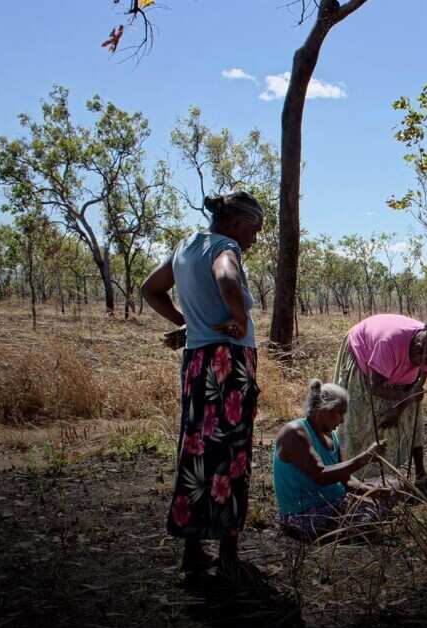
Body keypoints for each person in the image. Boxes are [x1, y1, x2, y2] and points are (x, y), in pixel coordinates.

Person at [141, 191, 264, 574]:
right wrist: (240, 321)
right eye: (254, 229)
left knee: (194, 448)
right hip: (230, 363)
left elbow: (150, 288)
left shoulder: (186, 246)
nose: (254, 239)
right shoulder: (225, 247)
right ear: (234, 222)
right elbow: (227, 279)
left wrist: (185, 322)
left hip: (196, 361)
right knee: (233, 452)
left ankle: (191, 550)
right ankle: (229, 553)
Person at [333, 313, 427, 497]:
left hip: (392, 368)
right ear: (417, 349)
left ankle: (420, 474)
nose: (425, 366)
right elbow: (374, 387)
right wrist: (403, 399)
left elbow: (418, 385)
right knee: (364, 417)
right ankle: (353, 479)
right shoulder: (388, 343)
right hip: (364, 360)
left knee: (414, 411)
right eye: (423, 362)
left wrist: (401, 405)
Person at [272, 380, 393, 540]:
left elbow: (346, 480)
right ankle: (358, 530)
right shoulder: (295, 433)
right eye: (340, 413)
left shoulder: (332, 436)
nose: (342, 420)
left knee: (392, 487)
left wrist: (370, 491)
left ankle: (360, 525)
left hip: (334, 504)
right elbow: (320, 475)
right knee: (371, 516)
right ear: (323, 409)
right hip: (304, 516)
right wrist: (365, 458)